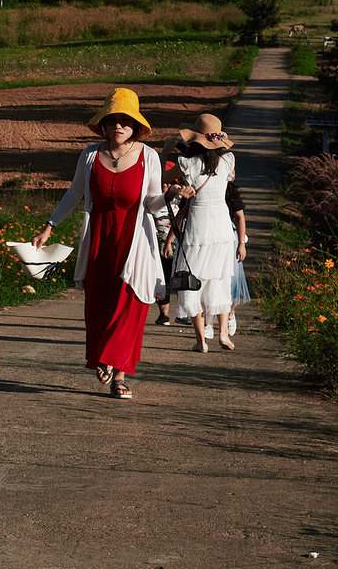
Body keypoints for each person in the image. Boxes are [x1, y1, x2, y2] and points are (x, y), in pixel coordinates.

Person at [39, 87, 169, 398]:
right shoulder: (90, 155)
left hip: (133, 240)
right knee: (99, 305)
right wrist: (49, 226)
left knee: (129, 304)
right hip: (98, 239)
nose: (118, 127)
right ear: (104, 125)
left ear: (135, 125)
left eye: (125, 121)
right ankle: (103, 357)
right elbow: (74, 194)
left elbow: (151, 203)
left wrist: (170, 196)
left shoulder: (148, 156)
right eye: (112, 121)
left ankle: (118, 373)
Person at [165, 113, 249, 351]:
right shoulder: (228, 161)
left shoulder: (187, 164)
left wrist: (166, 153)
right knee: (219, 279)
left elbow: (158, 179)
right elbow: (226, 177)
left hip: (198, 226)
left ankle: (201, 340)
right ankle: (223, 333)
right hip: (222, 226)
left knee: (192, 280)